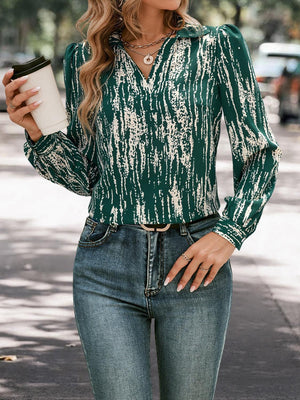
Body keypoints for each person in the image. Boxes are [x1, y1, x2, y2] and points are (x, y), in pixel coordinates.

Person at [2, 0, 282, 399]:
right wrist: (36, 133)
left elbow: (259, 153)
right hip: (106, 262)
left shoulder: (216, 46)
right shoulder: (85, 57)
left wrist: (231, 231)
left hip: (194, 264)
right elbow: (86, 178)